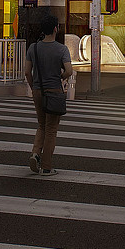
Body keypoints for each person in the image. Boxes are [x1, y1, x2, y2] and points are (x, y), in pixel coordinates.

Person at [23, 14, 73, 176]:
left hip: (37, 90)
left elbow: (27, 72)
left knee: (41, 125)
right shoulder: (61, 49)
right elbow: (69, 71)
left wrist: (33, 87)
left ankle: (35, 153)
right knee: (51, 129)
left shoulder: (33, 48)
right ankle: (46, 166)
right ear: (55, 29)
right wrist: (61, 77)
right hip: (54, 91)